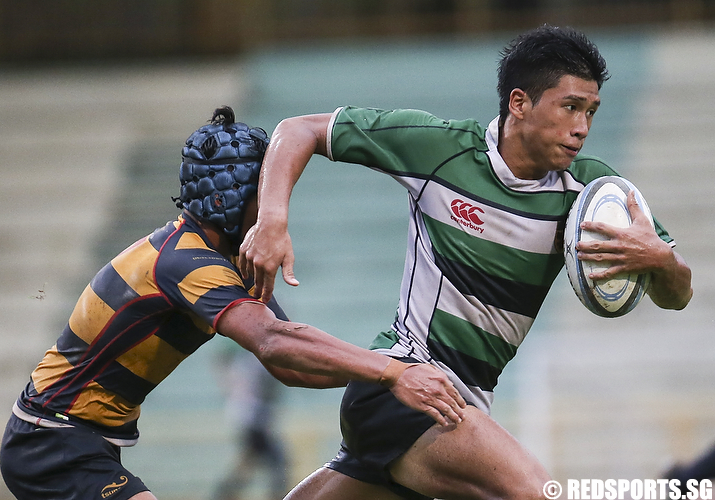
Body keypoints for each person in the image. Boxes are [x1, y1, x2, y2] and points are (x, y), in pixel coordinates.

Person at [238, 25, 694, 500]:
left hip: (459, 406)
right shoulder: (440, 149)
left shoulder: (593, 192)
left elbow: (678, 293)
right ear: (519, 103)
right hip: (407, 383)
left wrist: (660, 259)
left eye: (591, 112)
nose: (582, 127)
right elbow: (299, 129)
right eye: (570, 107)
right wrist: (271, 220)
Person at [0, 106, 467, 500]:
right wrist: (393, 370)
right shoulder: (186, 264)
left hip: (78, 440)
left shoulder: (222, 261)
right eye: (263, 192)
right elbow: (275, 341)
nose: (273, 206)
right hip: (51, 438)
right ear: (229, 196)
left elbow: (294, 368)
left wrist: (388, 378)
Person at [212, 346, 289, 500]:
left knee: (249, 463)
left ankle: (222, 495)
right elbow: (268, 387)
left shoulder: (249, 359)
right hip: (254, 418)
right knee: (278, 464)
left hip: (248, 416)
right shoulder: (261, 360)